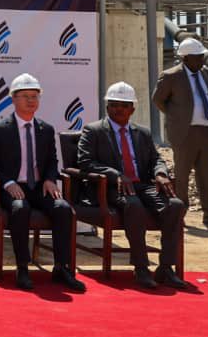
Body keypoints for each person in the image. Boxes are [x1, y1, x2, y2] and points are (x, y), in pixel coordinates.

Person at [78, 81, 190, 290]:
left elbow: (156, 159)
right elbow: (85, 163)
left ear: (132, 109)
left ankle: (166, 268)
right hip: (112, 187)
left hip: (142, 185)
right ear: (107, 107)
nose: (118, 109)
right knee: (134, 205)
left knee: (175, 205)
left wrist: (160, 173)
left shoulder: (143, 132)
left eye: (124, 105)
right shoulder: (93, 131)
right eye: (114, 105)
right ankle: (141, 268)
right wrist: (115, 175)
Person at [0, 73, 85, 292]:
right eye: (25, 96)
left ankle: (62, 267)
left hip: (38, 187)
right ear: (13, 99)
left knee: (62, 208)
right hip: (11, 187)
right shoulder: (0, 129)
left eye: (35, 96)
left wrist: (50, 179)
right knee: (20, 208)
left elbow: (52, 160)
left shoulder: (45, 129)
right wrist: (7, 183)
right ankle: (22, 268)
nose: (31, 101)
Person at [152, 37, 208, 227]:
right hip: (184, 133)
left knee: (205, 175)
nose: (201, 60)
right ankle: (179, 212)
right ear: (185, 58)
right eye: (197, 57)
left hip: (206, 132)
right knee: (182, 176)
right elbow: (158, 99)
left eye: (201, 56)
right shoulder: (171, 76)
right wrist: (176, 117)